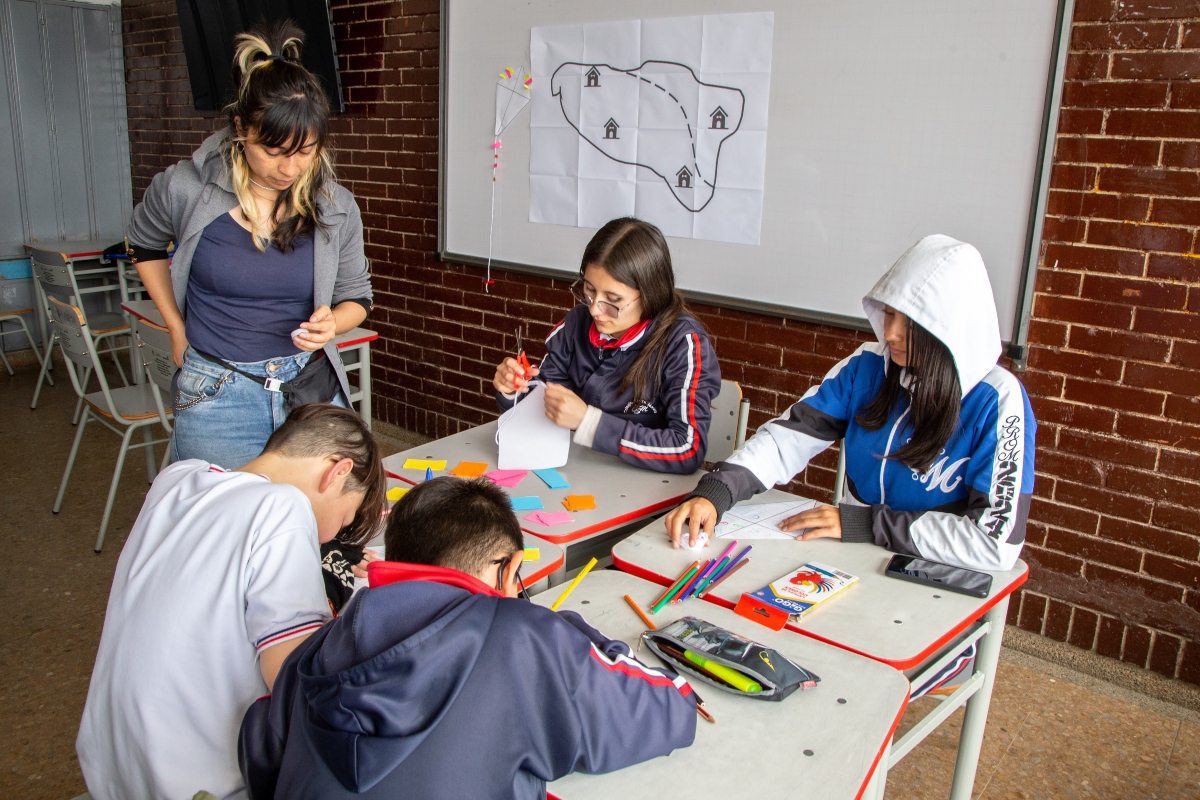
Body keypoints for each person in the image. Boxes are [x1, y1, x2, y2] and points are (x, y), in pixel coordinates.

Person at [239, 476, 699, 799]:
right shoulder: (525, 639)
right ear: (510, 568)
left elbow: (260, 754)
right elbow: (668, 709)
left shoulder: (318, 646)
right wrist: (563, 629)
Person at [666, 235, 1036, 571]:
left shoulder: (999, 401)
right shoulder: (868, 365)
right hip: (853, 554)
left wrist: (866, 524)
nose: (889, 333)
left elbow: (994, 543)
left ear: (950, 330)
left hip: (937, 573)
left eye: (910, 325)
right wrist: (716, 492)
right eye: (889, 314)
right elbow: (788, 438)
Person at [76, 405, 387, 800]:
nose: (335, 534)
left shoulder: (176, 477)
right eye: (345, 519)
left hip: (110, 765)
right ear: (337, 471)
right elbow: (295, 679)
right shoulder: (282, 507)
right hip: (196, 782)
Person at [127, 20, 372, 469]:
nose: (290, 168)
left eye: (305, 151)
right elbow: (142, 244)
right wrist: (175, 326)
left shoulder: (336, 207)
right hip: (216, 392)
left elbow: (357, 298)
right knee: (225, 527)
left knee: (323, 526)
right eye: (274, 150)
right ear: (241, 128)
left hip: (309, 388)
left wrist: (332, 325)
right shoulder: (186, 188)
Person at [493, 217, 720, 474]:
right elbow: (543, 403)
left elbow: (687, 449)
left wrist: (588, 422)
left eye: (612, 300)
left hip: (646, 485)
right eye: (589, 291)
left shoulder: (683, 343)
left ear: (650, 294)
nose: (594, 309)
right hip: (578, 472)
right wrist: (514, 390)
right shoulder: (576, 325)